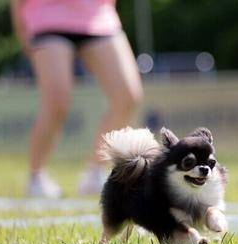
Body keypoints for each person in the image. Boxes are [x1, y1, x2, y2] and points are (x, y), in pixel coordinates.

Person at [11, 0, 143, 197]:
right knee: (57, 101)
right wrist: (21, 28)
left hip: (99, 17)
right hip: (47, 16)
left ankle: (95, 172)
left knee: (127, 96)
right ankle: (36, 177)